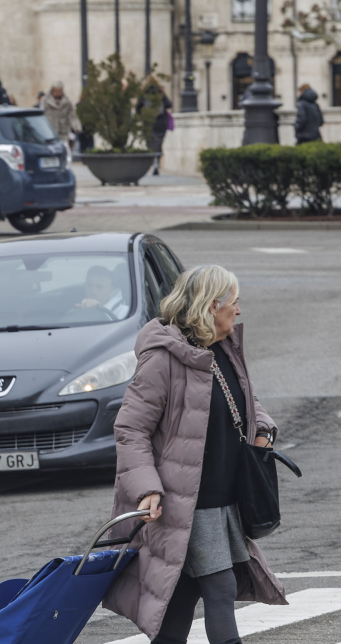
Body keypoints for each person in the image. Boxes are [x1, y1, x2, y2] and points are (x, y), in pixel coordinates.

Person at [102, 265, 285, 644]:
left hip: (224, 500)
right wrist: (146, 488)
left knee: (182, 596)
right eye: (233, 303)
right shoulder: (163, 359)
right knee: (220, 590)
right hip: (185, 503)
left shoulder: (223, 349)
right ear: (211, 306)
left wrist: (263, 429)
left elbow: (245, 401)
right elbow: (130, 429)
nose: (238, 310)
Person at [140, 80, 172, 174]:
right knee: (158, 143)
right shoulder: (160, 93)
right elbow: (169, 104)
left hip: (148, 122)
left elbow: (138, 107)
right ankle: (156, 162)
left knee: (150, 143)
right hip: (161, 122)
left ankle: (153, 161)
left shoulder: (144, 94)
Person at [41, 81, 81, 154]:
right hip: (50, 132)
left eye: (59, 91)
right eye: (56, 91)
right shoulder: (45, 101)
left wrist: (76, 126)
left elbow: (72, 115)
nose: (57, 93)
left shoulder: (67, 102)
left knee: (65, 151)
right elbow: (41, 114)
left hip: (63, 132)